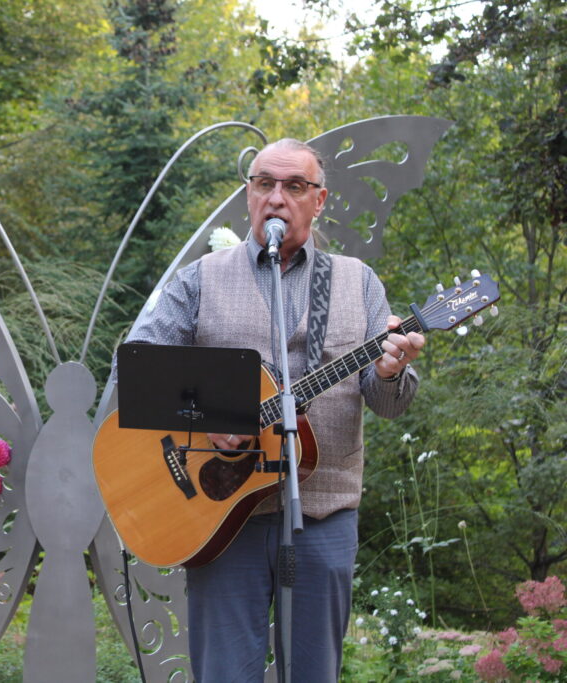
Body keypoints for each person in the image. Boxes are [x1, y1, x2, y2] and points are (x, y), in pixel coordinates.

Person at [122, 139, 425, 681]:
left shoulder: (359, 283)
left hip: (324, 513)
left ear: (320, 200)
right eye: (265, 184)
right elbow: (136, 371)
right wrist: (208, 417)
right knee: (223, 673)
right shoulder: (200, 278)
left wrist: (388, 370)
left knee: (314, 672)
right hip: (218, 513)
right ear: (249, 195)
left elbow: (388, 404)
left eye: (294, 186)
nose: (277, 197)